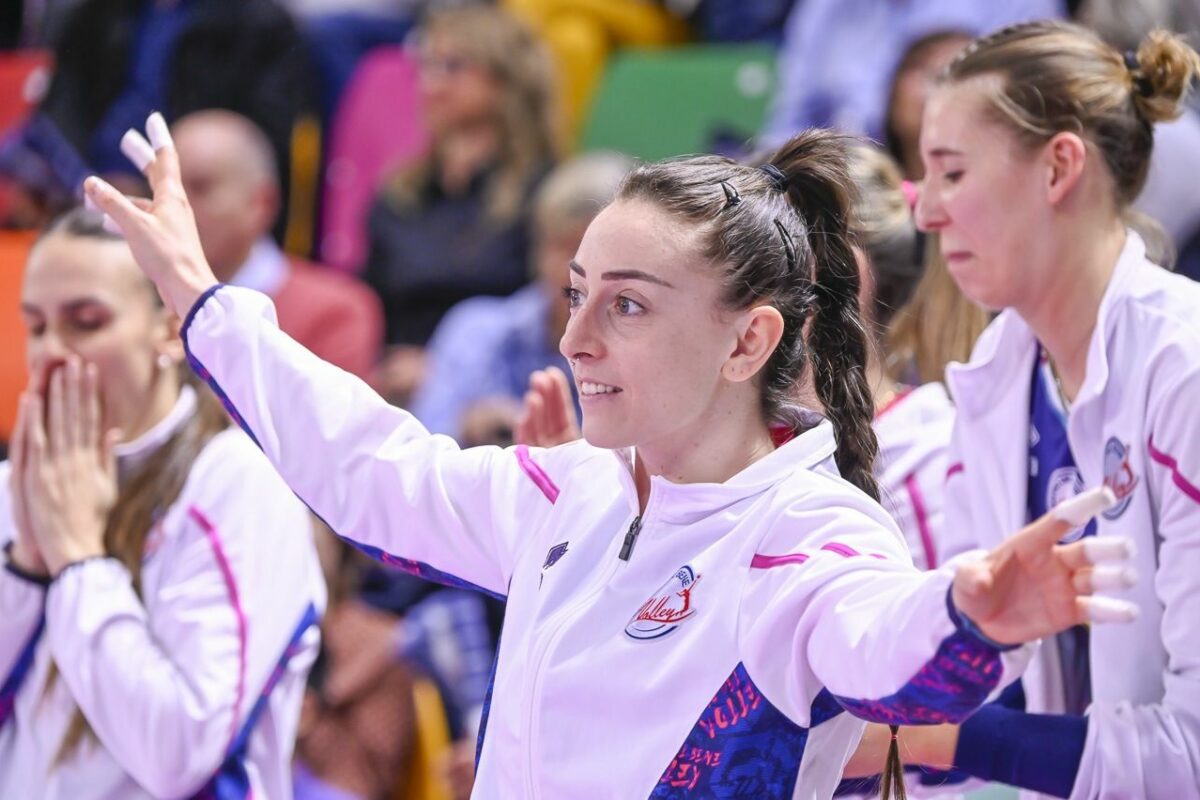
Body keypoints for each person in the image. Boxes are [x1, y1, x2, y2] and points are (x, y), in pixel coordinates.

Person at [87, 113, 1137, 799]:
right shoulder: (566, 486)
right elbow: (369, 467)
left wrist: (972, 614)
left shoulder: (808, 531)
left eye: (627, 304)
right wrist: (203, 303)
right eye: (578, 292)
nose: (576, 337)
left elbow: (885, 646)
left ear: (748, 340)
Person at [851, 21, 1200, 799]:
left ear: (1059, 168)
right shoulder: (995, 380)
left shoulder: (1187, 375)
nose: (928, 214)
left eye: (952, 174)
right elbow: (1003, 682)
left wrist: (931, 738)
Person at [0, 208, 326, 798]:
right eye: (37, 326)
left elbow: (178, 752)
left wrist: (76, 559)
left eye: (86, 322)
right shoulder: (11, 487)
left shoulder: (237, 484)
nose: (51, 353)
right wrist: (26, 561)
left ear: (169, 329)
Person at [361, 5, 559, 406]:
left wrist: (445, 367)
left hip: (506, 390)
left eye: (453, 66)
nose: (430, 84)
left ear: (505, 80)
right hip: (396, 392)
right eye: (427, 67)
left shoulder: (543, 193)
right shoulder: (399, 195)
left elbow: (547, 314)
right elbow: (370, 302)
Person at [410, 151, 631, 444]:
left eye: (595, 249)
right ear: (537, 248)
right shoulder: (475, 328)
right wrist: (466, 428)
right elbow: (420, 449)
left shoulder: (637, 353)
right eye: (564, 245)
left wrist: (565, 453)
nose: (576, 267)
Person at [169, 109, 383, 381]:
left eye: (200, 187)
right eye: (163, 188)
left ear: (261, 203)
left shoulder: (335, 312)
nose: (176, 205)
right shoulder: (136, 302)